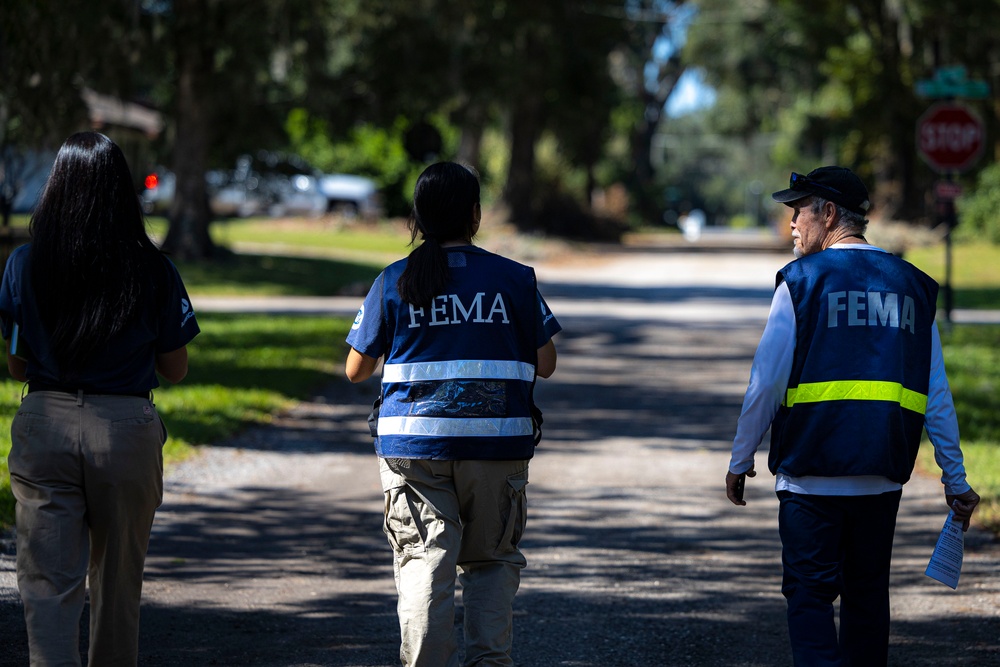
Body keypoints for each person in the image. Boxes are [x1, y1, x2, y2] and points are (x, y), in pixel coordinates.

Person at [726, 166, 980, 666]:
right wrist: (955, 477)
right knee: (867, 604)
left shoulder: (799, 284)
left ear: (827, 213)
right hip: (880, 485)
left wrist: (740, 459)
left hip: (809, 484)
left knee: (810, 599)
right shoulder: (913, 287)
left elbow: (765, 385)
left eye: (798, 211)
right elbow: (936, 393)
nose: (792, 224)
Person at [345, 161, 560, 667]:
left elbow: (356, 370)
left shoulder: (394, 280)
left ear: (417, 217)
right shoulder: (514, 278)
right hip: (496, 444)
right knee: (490, 561)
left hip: (413, 451)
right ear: (475, 214)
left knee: (424, 560)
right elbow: (546, 364)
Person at [0, 131, 200, 665]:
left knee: (46, 583)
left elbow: (16, 363)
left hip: (45, 422)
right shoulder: (152, 269)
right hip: (124, 430)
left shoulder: (23, 264)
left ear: (56, 187)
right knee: (117, 583)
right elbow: (175, 368)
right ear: (121, 192)